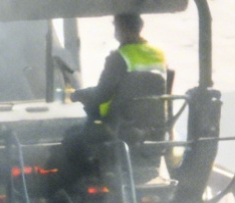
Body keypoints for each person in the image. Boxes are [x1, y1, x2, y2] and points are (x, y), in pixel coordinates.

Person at [73, 12, 170, 143]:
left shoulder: (119, 57)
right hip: (153, 128)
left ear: (122, 27)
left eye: (115, 25)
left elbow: (102, 95)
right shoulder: (159, 54)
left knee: (73, 138)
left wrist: (77, 95)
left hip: (119, 127)